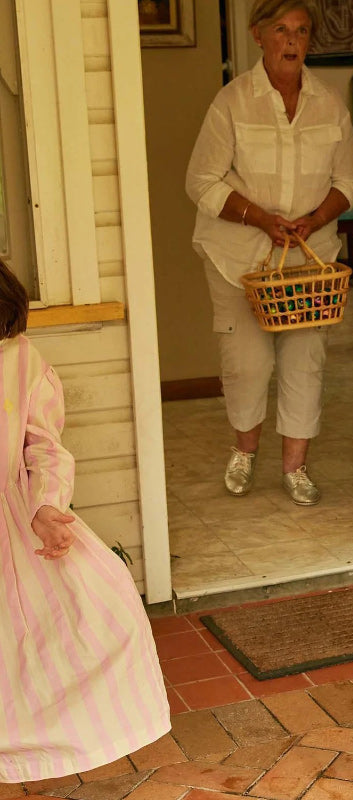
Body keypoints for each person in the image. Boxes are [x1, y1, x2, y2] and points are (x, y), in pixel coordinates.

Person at [0, 260, 170, 783]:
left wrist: (48, 506)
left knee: (66, 632)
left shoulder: (20, 360)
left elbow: (45, 447)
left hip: (12, 523)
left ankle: (23, 759)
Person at [185, 0, 353, 504]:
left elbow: (348, 180)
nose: (291, 41)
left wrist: (315, 219)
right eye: (281, 30)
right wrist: (261, 218)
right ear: (258, 35)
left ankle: (295, 467)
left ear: (309, 42)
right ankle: (244, 451)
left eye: (301, 32)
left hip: (309, 259)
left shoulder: (330, 105)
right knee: (247, 362)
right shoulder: (233, 102)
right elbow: (200, 181)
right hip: (237, 255)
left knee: (305, 360)